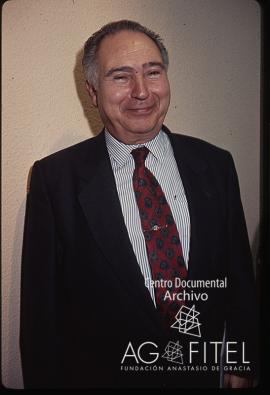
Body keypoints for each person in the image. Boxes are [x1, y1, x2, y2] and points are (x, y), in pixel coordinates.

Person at [20, 20, 258, 389]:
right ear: (93, 91)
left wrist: (242, 363)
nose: (142, 91)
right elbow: (41, 314)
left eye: (153, 72)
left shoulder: (216, 164)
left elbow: (239, 276)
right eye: (121, 76)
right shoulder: (55, 179)